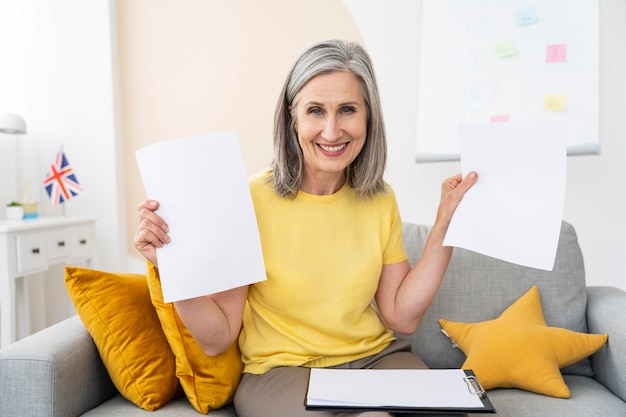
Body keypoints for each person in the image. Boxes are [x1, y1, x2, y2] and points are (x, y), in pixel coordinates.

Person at [134, 39, 478, 417]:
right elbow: (217, 339)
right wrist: (173, 267)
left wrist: (446, 220)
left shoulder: (380, 199)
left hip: (375, 360)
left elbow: (401, 315)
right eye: (316, 111)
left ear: (368, 117)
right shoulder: (248, 199)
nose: (332, 131)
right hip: (282, 373)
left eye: (347, 110)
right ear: (292, 117)